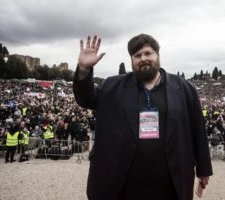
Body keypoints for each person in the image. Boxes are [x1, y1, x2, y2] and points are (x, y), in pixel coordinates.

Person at [73, 34, 213, 200]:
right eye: (137, 55)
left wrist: (204, 168)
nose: (143, 58)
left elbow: (198, 128)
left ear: (157, 55)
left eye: (148, 53)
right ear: (132, 60)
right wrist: (83, 70)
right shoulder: (113, 85)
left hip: (170, 178)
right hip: (122, 179)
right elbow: (86, 98)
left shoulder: (184, 88)